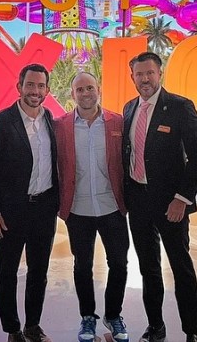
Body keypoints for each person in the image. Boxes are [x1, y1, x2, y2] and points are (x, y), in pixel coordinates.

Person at [122, 52, 197, 342]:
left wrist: (182, 199)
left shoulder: (181, 107)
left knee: (181, 267)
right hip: (138, 201)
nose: (145, 79)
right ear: (132, 77)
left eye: (150, 73)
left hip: (172, 204)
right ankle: (156, 327)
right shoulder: (129, 108)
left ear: (160, 74)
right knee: (148, 268)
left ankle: (191, 331)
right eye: (139, 74)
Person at [0, 63, 59, 342]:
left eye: (40, 86)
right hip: (10, 211)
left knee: (39, 271)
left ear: (47, 90)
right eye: (30, 85)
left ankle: (32, 326)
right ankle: (13, 329)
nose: (35, 91)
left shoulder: (51, 121)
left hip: (44, 209)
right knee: (7, 271)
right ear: (19, 87)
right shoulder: (1, 123)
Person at [54, 72, 130, 342]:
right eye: (80, 90)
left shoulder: (117, 122)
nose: (85, 93)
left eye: (89, 88)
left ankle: (113, 315)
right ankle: (87, 317)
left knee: (119, 263)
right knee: (82, 266)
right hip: (78, 210)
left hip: (112, 207)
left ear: (98, 89)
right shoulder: (60, 126)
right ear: (72, 94)